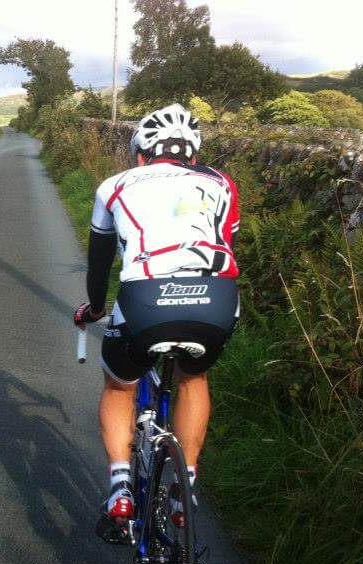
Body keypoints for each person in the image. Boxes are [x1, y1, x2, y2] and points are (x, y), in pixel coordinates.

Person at [74, 103, 240, 530]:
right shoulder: (221, 183)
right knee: (193, 378)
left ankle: (120, 487)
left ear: (141, 154)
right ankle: (185, 488)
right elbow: (227, 242)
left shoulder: (113, 186)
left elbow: (99, 263)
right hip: (217, 298)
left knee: (119, 385)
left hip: (146, 298)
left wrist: (94, 309)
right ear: (192, 155)